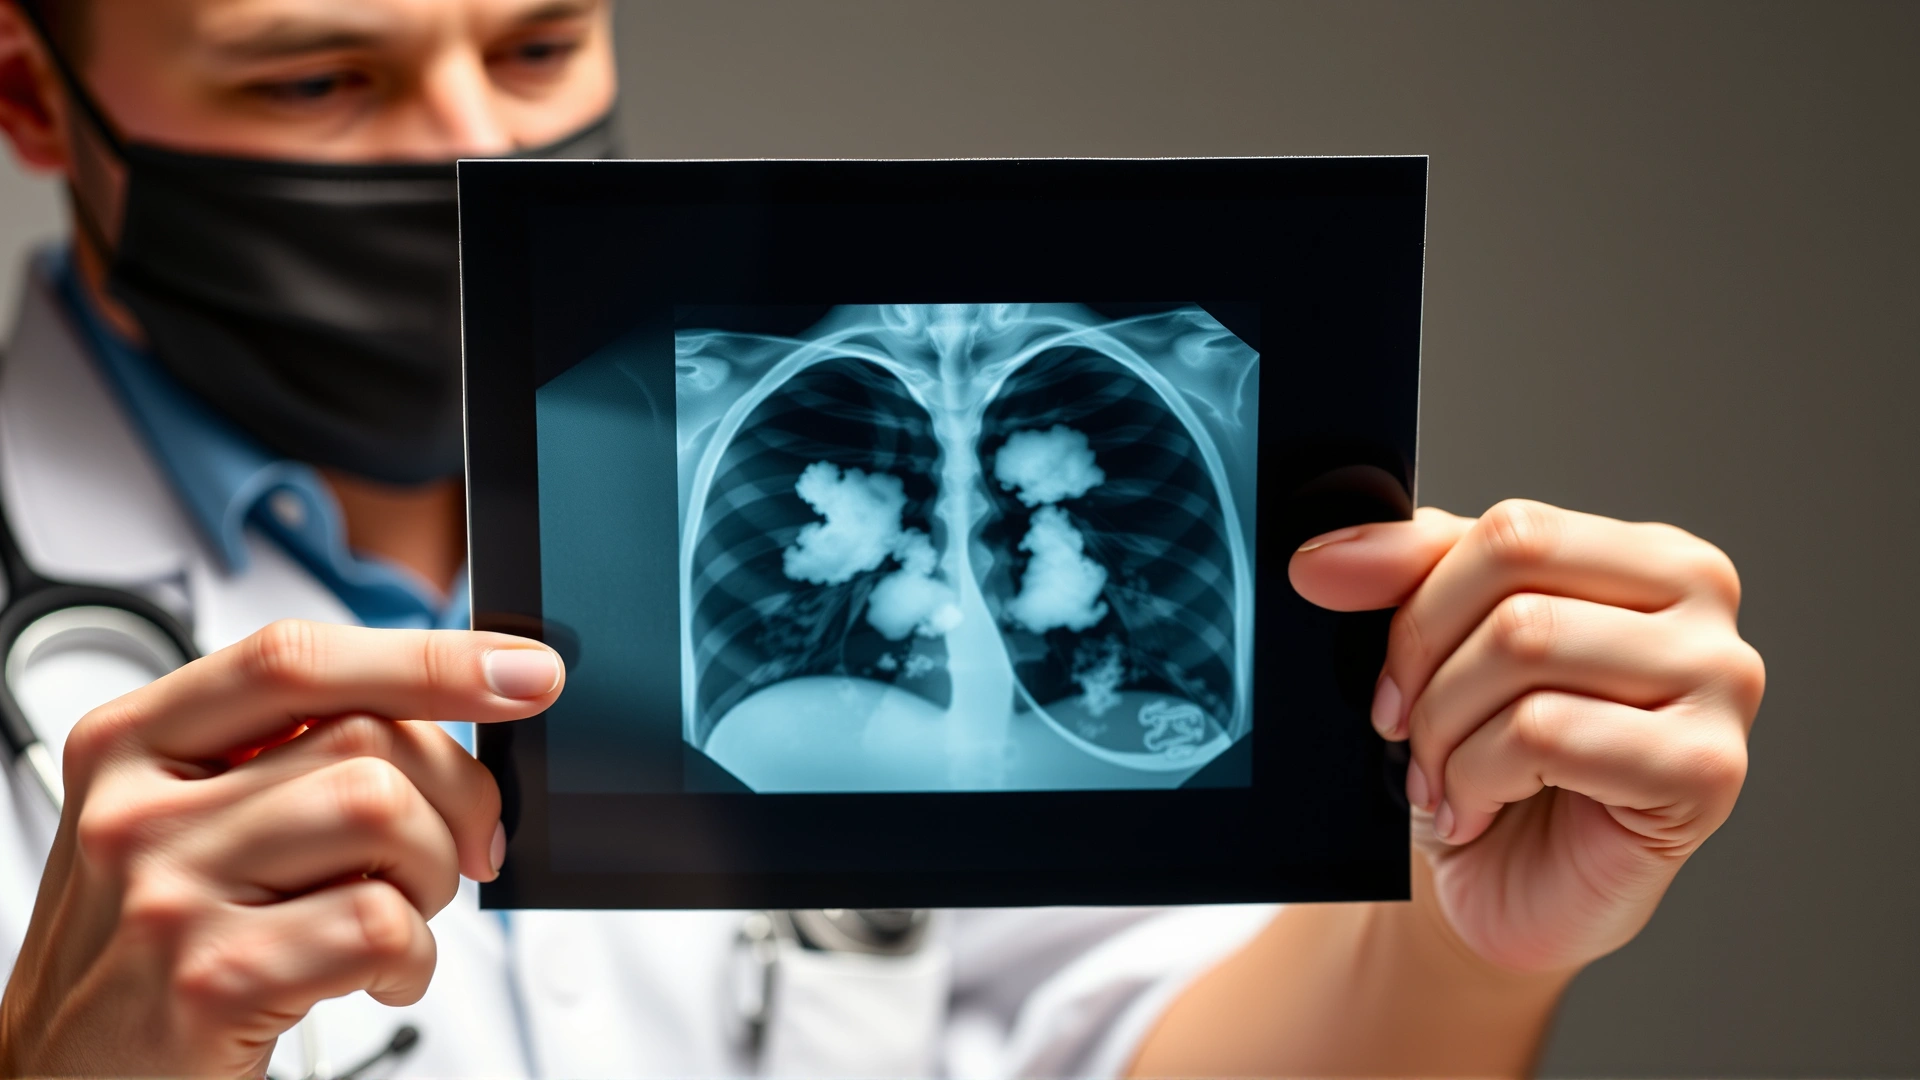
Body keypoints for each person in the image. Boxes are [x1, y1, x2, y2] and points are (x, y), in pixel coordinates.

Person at [0, 0, 1765, 1076]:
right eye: (316, 79)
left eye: (539, 45)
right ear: (28, 91)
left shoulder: (731, 474)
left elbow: (1151, 1050)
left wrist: (1463, 944)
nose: (478, 141)